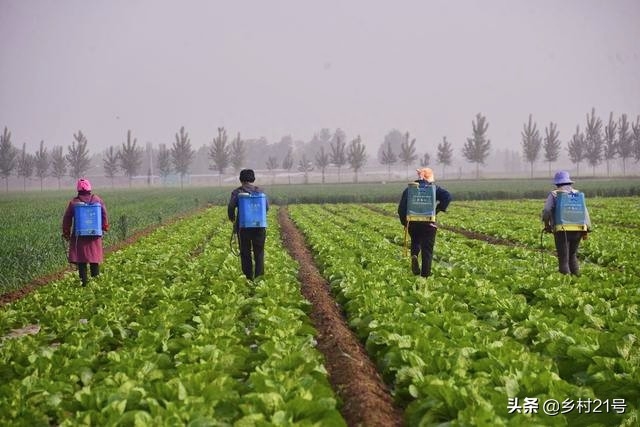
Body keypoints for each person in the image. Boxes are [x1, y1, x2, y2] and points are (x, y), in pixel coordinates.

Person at [397, 168, 451, 277]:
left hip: (413, 222)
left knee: (415, 240)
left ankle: (414, 255)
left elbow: (401, 208)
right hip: (428, 224)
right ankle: (425, 276)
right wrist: (438, 209)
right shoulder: (433, 188)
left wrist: (405, 222)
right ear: (430, 178)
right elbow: (448, 196)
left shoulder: (410, 189)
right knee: (427, 251)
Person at [541, 171, 591, 275]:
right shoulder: (577, 194)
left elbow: (546, 211)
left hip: (562, 230)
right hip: (578, 229)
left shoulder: (554, 194)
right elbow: (584, 212)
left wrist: (547, 225)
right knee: (572, 255)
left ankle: (567, 283)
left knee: (563, 258)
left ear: (557, 184)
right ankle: (577, 279)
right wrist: (587, 229)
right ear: (569, 183)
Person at [62, 178, 109, 286]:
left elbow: (67, 218)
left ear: (78, 190)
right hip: (94, 235)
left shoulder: (74, 202)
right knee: (94, 259)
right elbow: (104, 214)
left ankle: (84, 283)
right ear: (89, 189)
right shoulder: (97, 199)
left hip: (80, 236)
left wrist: (66, 232)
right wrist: (104, 226)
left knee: (81, 260)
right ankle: (95, 281)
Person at [228, 169, 269, 280]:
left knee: (245, 253)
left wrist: (232, 219)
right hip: (259, 226)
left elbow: (231, 207)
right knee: (259, 253)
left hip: (244, 227)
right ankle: (259, 279)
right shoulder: (260, 192)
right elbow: (266, 208)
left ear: (241, 179)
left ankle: (248, 279)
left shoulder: (237, 192)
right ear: (253, 179)